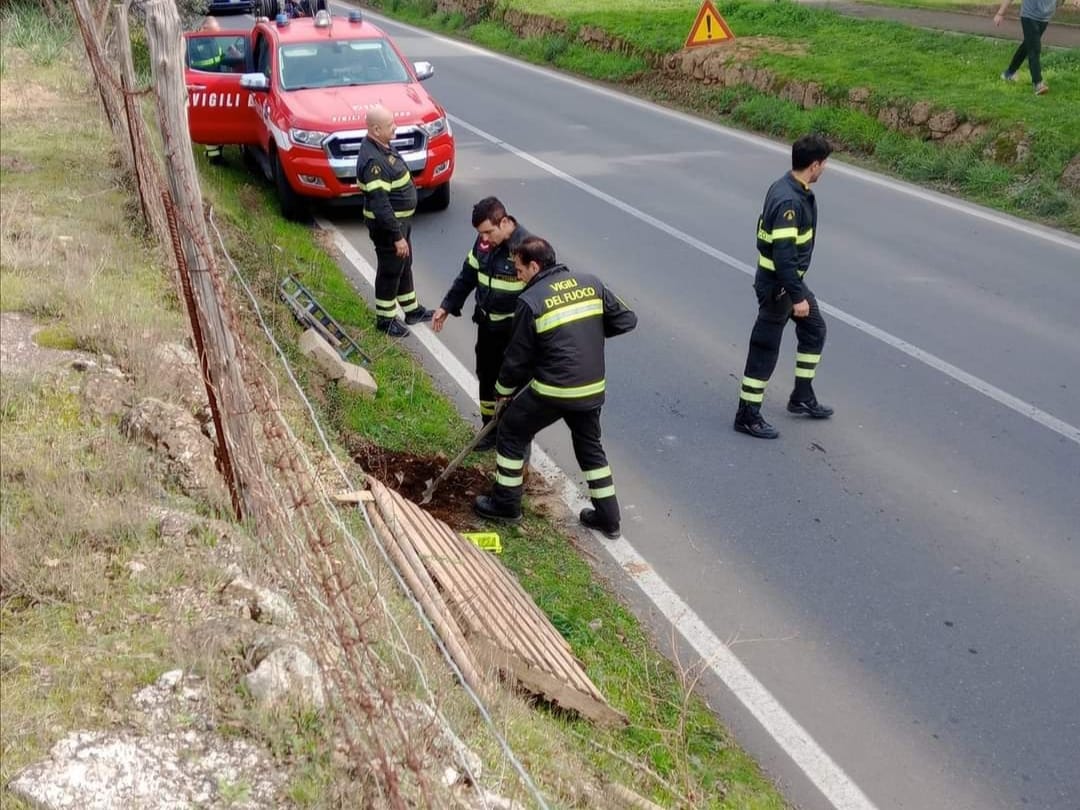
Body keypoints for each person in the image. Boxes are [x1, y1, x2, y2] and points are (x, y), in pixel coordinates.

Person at [473, 237, 637, 539]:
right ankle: (608, 518)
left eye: (519, 269)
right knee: (590, 447)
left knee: (511, 431)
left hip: (553, 389)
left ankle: (506, 504)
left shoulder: (531, 300)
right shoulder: (591, 284)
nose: (517, 275)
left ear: (535, 266)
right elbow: (627, 319)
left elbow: (516, 359)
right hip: (590, 388)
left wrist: (503, 391)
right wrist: (588, 333)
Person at [734, 133, 833, 440]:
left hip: (788, 283)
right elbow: (784, 255)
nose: (825, 169)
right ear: (814, 165)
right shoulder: (790, 199)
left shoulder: (790, 187)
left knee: (814, 329)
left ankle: (802, 395)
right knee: (765, 347)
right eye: (825, 164)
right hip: (779, 286)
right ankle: (747, 414)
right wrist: (797, 295)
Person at [432, 197, 530, 451]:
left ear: (505, 222)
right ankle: (490, 429)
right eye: (480, 233)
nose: (484, 238)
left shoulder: (527, 249)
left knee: (511, 389)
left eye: (488, 232)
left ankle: (513, 439)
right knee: (486, 379)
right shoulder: (483, 244)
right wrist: (447, 305)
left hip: (513, 334)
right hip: (487, 328)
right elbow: (468, 275)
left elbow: (539, 297)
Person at [357, 105, 433, 337]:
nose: (395, 128)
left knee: (403, 264)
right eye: (391, 125)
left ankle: (411, 310)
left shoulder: (382, 146)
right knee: (390, 270)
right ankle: (386, 319)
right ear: (376, 129)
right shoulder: (373, 162)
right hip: (389, 228)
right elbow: (380, 205)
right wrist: (397, 237)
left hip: (400, 224)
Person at [995, 0, 1060, 95]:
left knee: (1027, 45)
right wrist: (1000, 13)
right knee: (1034, 49)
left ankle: (1009, 73)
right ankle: (1038, 83)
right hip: (1029, 16)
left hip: (1044, 17)